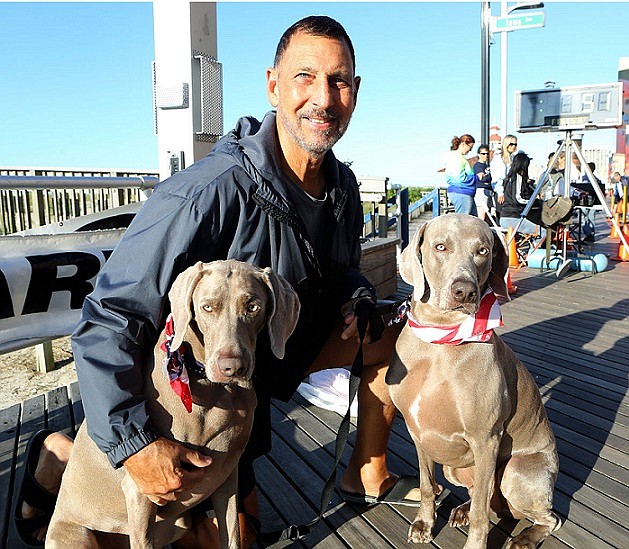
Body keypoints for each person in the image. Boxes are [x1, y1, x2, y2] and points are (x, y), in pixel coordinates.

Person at [16, 16, 413, 548]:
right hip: (199, 388)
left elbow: (342, 269)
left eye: (338, 81)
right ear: (273, 84)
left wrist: (359, 297)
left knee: (392, 336)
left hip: (271, 359)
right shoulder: (208, 194)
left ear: (355, 91)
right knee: (214, 540)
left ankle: (365, 472)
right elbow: (109, 318)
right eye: (305, 78)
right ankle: (61, 454)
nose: (323, 97)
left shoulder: (341, 185)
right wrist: (133, 444)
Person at [499, 152, 545, 238]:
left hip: (505, 217)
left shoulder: (508, 178)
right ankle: (534, 250)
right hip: (513, 218)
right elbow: (518, 198)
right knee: (543, 232)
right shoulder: (518, 177)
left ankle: (528, 248)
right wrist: (534, 202)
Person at [444, 134, 477, 215]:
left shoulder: (458, 158)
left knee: (471, 221)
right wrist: (476, 178)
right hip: (462, 192)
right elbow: (459, 178)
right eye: (470, 147)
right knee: (464, 221)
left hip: (464, 192)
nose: (470, 150)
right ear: (463, 144)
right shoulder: (457, 158)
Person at [490, 134, 519, 219]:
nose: (513, 146)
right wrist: (500, 192)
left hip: (510, 190)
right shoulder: (499, 158)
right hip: (502, 190)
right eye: (511, 144)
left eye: (515, 144)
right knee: (502, 215)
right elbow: (498, 176)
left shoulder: (512, 157)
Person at [473, 144, 494, 223]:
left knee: (489, 213)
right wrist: (489, 178)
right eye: (483, 154)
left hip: (488, 191)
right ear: (479, 154)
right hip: (481, 190)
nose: (486, 156)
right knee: (481, 214)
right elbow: (482, 178)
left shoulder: (487, 166)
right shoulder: (478, 165)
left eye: (487, 154)